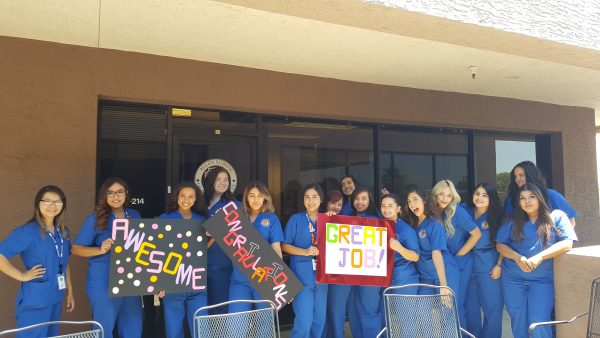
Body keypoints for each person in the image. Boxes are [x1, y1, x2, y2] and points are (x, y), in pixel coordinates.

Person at [496, 183, 577, 338]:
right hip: (513, 278)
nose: (527, 201)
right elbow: (500, 244)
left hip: (542, 280)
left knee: (539, 322)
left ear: (540, 197)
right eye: (522, 198)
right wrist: (517, 257)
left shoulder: (557, 216)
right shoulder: (512, 220)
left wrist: (541, 256)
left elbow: (568, 242)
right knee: (518, 320)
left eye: (532, 196)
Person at [72, 177, 142, 338]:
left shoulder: (135, 215)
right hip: (104, 282)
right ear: (104, 195)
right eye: (110, 193)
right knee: (104, 330)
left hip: (131, 281)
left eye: (119, 192)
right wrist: (100, 249)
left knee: (133, 328)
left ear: (126, 194)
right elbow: (75, 249)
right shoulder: (95, 218)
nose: (115, 196)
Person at [0, 186, 74, 337]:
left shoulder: (63, 232)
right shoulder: (27, 231)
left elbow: (64, 263)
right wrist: (21, 275)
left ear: (63, 205)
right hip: (36, 300)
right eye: (47, 201)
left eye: (57, 201)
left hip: (56, 297)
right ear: (38, 204)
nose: (52, 206)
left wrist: (70, 292)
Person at [159, 182, 208, 338]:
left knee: (201, 328)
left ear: (196, 199)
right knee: (174, 331)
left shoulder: (202, 219)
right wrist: (158, 282)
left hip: (196, 281)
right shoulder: (165, 219)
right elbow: (158, 252)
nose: (186, 200)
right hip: (173, 282)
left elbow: (204, 248)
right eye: (182, 196)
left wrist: (212, 236)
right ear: (176, 197)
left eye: (190, 196)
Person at [228, 181, 284, 312]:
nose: (256, 199)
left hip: (263, 279)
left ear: (265, 197)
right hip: (240, 279)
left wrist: (281, 282)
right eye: (252, 195)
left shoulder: (271, 219)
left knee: (264, 323)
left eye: (260, 195)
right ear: (246, 198)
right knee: (236, 323)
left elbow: (277, 251)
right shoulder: (236, 218)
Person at [431, 180, 481, 327]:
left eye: (449, 195)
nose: (445, 198)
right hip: (442, 262)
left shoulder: (457, 212)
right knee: (446, 305)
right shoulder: (432, 213)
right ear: (435, 195)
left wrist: (459, 255)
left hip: (460, 262)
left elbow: (477, 234)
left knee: (453, 304)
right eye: (441, 194)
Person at [282, 183, 328, 338]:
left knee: (319, 321)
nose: (311, 201)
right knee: (304, 321)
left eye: (314, 197)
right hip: (301, 278)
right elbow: (284, 245)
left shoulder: (327, 220)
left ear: (321, 199)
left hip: (322, 279)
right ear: (303, 201)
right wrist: (304, 251)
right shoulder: (296, 219)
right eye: (307, 197)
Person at [462, 183, 504, 338]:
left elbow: (504, 243)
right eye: (477, 193)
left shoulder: (498, 216)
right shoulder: (465, 212)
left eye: (484, 195)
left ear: (491, 198)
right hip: (467, 263)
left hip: (489, 263)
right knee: (470, 308)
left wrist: (499, 265)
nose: (479, 198)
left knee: (492, 308)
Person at [403, 187, 459, 299]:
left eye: (415, 199)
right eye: (409, 202)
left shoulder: (434, 224)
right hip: (425, 275)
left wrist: (443, 285)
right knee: (423, 312)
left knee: (448, 312)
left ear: (424, 200)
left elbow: (437, 254)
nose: (412, 204)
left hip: (445, 273)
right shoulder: (411, 225)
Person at [202, 166, 238, 313]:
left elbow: (241, 234)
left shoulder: (234, 205)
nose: (223, 182)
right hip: (198, 264)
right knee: (201, 309)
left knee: (219, 307)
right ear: (211, 181)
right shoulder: (200, 203)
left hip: (222, 264)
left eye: (226, 180)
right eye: (218, 179)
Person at [504, 161, 576, 226]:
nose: (517, 179)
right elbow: (507, 225)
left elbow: (571, 222)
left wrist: (560, 239)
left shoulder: (551, 194)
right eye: (515, 176)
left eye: (521, 175)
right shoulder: (511, 199)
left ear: (531, 175)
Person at [380, 193, 420, 295]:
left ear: (398, 209)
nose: (386, 209)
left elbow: (415, 257)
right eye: (383, 206)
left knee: (403, 311)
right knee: (385, 310)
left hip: (403, 278)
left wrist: (400, 248)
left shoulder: (405, 229)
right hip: (384, 278)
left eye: (390, 206)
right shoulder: (378, 226)